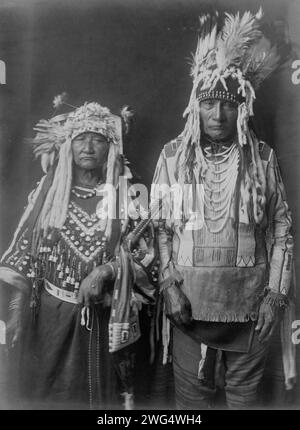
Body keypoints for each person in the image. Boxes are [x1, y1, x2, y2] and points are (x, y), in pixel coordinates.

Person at [151, 9, 296, 409]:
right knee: (192, 402)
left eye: (228, 105)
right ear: (195, 108)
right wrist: (168, 287)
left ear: (242, 109)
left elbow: (282, 228)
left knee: (244, 400)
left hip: (250, 307)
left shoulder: (262, 158)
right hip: (188, 305)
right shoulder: (173, 157)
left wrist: (275, 296)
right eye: (209, 104)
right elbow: (162, 228)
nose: (218, 114)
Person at [0, 97, 157, 409]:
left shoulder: (127, 195)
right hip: (49, 317)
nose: (88, 147)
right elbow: (24, 255)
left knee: (97, 399)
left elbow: (147, 258)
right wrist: (17, 314)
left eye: (97, 140)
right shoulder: (49, 192)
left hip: (103, 318)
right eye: (80, 139)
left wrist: (106, 271)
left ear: (110, 149)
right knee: (46, 393)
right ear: (68, 146)